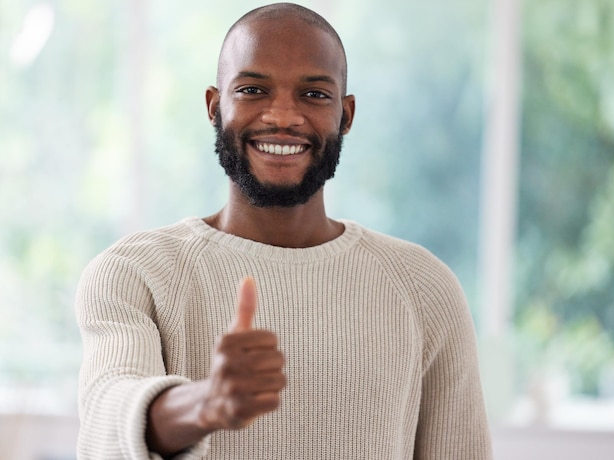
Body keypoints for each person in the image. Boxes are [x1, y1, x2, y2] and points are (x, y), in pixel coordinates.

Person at [75, 3, 492, 459]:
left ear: (346, 115)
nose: (282, 116)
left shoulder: (424, 288)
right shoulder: (134, 273)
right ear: (215, 107)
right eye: (253, 89)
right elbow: (105, 419)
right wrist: (205, 403)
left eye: (314, 95)